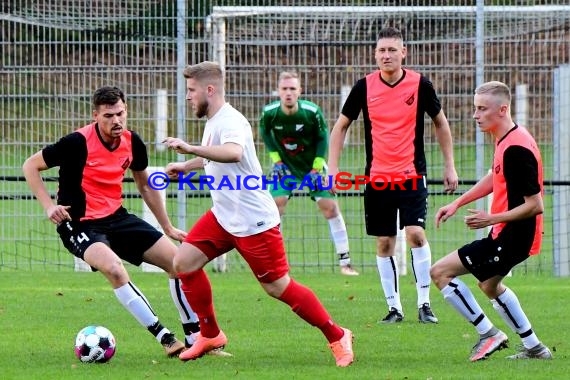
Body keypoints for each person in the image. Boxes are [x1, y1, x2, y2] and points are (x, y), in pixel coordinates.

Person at [162, 61, 354, 367]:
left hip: (254, 223)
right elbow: (219, 157)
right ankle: (210, 334)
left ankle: (337, 334)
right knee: (183, 263)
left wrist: (190, 149)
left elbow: (234, 152)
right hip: (224, 216)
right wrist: (186, 167)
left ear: (209, 90)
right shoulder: (213, 120)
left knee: (278, 288)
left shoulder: (231, 121)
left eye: (191, 90)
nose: (187, 97)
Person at [22, 86, 200, 357]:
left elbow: (145, 186)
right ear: (96, 115)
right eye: (108, 116)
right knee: (115, 270)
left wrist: (167, 226)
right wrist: (49, 206)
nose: (116, 120)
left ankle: (195, 338)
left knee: (179, 263)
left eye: (120, 113)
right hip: (78, 223)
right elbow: (30, 165)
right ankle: (165, 338)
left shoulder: (132, 142)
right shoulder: (76, 143)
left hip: (117, 217)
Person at [327, 27, 458, 323]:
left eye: (391, 50)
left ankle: (424, 304)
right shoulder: (364, 86)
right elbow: (340, 126)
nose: (386, 55)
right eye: (381, 50)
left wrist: (449, 165)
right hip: (377, 179)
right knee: (385, 243)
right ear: (375, 55)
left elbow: (440, 123)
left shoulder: (419, 84)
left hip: (412, 175)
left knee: (415, 233)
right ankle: (394, 308)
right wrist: (332, 169)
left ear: (403, 53)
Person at [431, 81, 552, 361]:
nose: (476, 114)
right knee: (489, 285)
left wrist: (490, 218)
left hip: (514, 234)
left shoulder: (517, 149)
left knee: (440, 273)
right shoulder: (507, 138)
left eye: (482, 109)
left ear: (503, 109)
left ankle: (490, 334)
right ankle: (535, 348)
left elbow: (535, 205)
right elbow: (494, 177)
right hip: (505, 231)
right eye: (475, 108)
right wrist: (457, 202)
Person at [259, 71, 358, 276]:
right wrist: (277, 162)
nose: (288, 93)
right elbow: (265, 135)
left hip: (312, 166)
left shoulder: (312, 112)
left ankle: (346, 263)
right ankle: (277, 265)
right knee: (274, 209)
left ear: (300, 91)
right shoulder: (269, 113)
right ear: (278, 91)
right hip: (285, 168)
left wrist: (317, 167)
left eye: (292, 89)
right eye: (285, 89)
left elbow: (323, 138)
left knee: (330, 208)